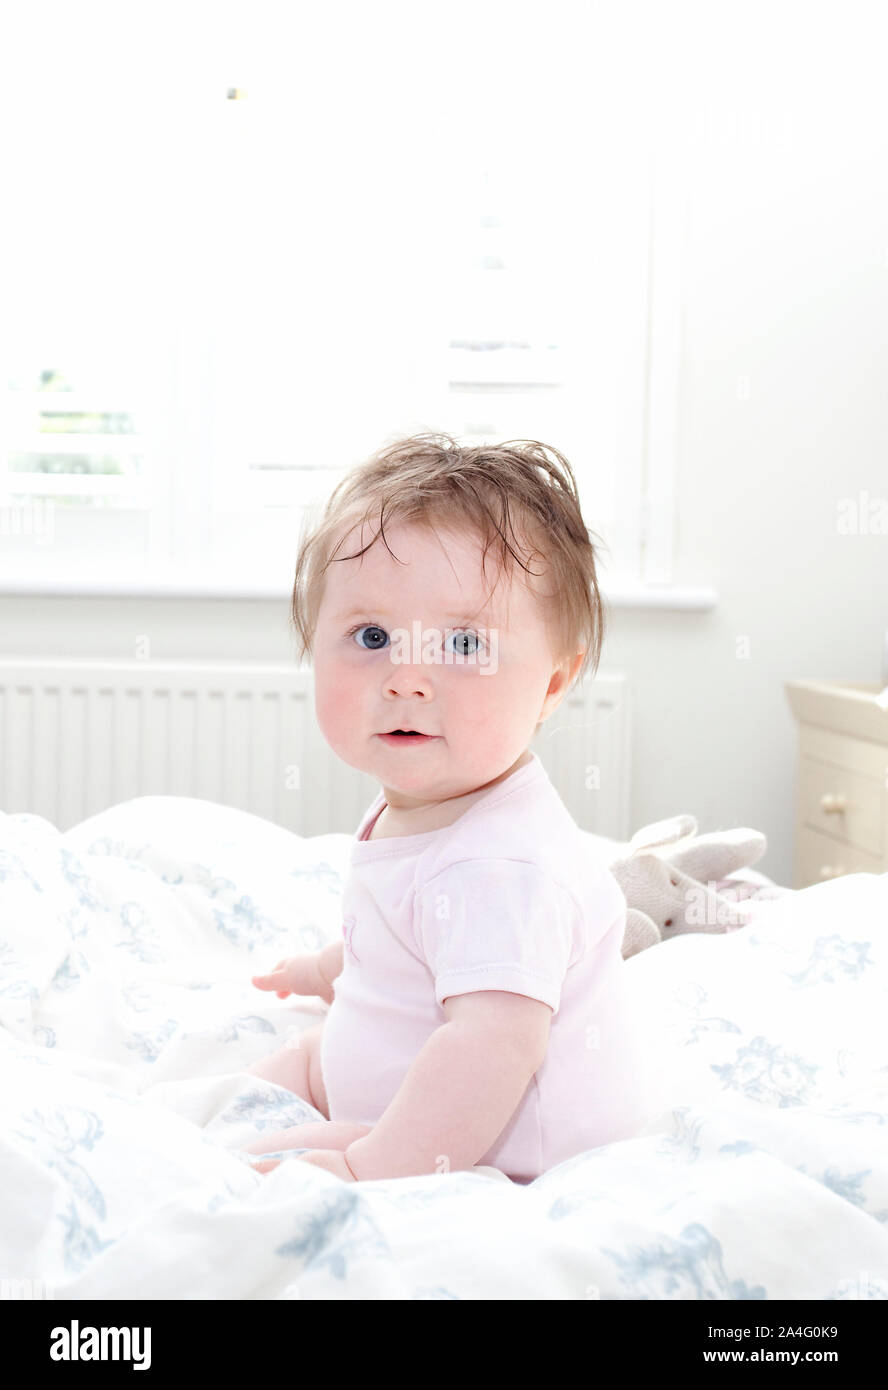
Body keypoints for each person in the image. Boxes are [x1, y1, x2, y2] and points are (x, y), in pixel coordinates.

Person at [242, 432, 651, 1183]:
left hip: (494, 1152)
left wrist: (372, 1167)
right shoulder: (429, 803)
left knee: (239, 1170)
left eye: (464, 645)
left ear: (553, 686)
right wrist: (325, 968)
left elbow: (493, 1047)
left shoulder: (500, 865)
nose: (407, 677)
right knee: (273, 1074)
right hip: (396, 1091)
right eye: (372, 636)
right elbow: (408, 940)